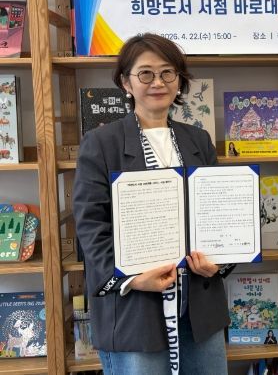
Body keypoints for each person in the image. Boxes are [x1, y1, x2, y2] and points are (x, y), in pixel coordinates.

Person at [74, 33, 232, 375]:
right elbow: (90, 225)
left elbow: (215, 213)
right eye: (145, 73)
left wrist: (219, 261)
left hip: (198, 303)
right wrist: (132, 279)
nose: (158, 82)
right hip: (135, 304)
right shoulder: (100, 143)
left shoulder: (198, 139)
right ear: (126, 82)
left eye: (167, 72)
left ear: (179, 80)